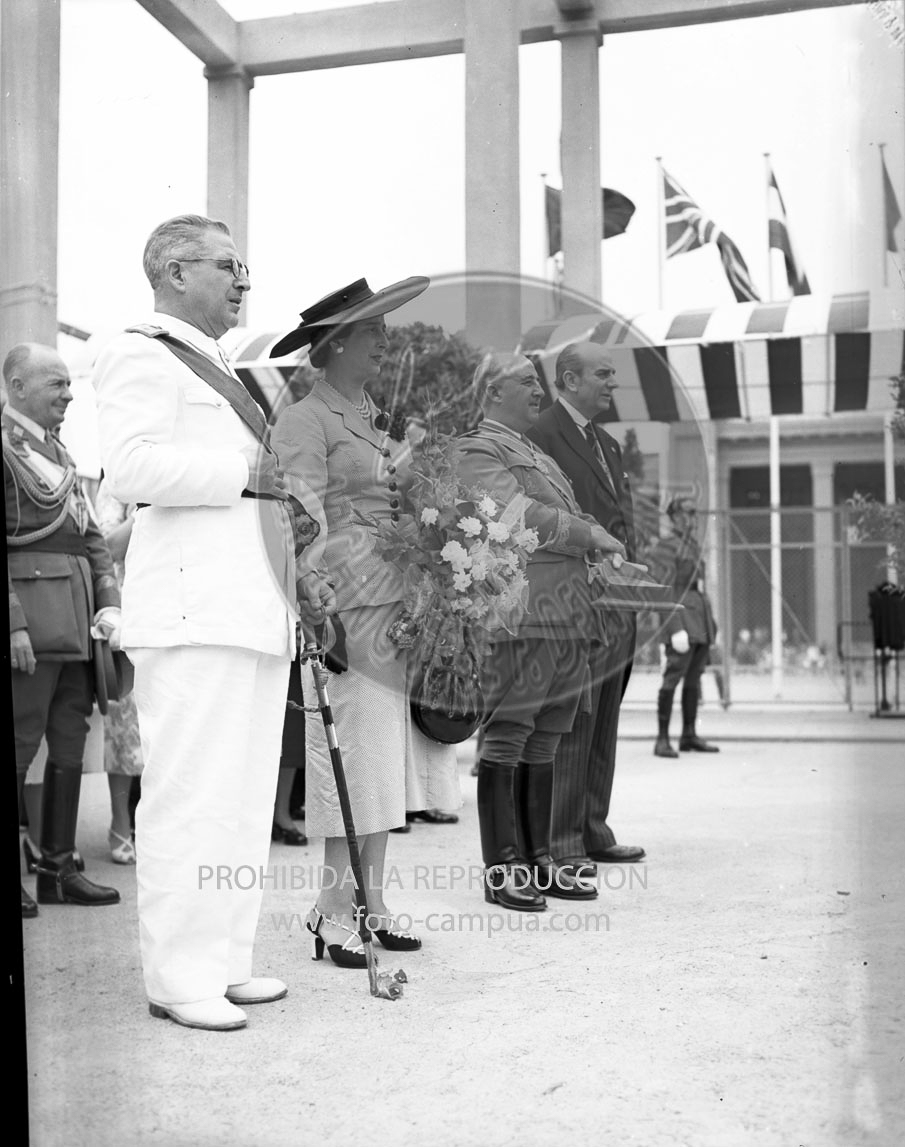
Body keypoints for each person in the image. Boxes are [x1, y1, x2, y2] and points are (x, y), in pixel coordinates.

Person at [94, 214, 335, 1031]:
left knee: (237, 802)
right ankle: (177, 977)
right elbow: (128, 466)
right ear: (172, 271)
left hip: (248, 606)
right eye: (229, 266)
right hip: (195, 609)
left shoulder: (219, 362)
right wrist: (249, 470)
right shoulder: (138, 348)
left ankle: (225, 961)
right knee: (190, 798)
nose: (242, 282)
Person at [271, 276, 460, 965]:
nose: (386, 342)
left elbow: (394, 511)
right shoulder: (304, 418)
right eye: (374, 332)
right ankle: (328, 909)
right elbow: (300, 516)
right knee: (344, 759)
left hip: (391, 606)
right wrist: (320, 608)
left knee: (380, 764)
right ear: (339, 342)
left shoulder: (369, 416)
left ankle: (370, 902)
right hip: (343, 608)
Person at [457, 352, 627, 911]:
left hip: (567, 612)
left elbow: (564, 518)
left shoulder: (533, 452)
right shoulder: (478, 448)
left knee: (549, 732)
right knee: (510, 732)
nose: (539, 390)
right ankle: (503, 864)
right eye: (527, 382)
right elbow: (513, 513)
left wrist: (597, 552)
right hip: (523, 611)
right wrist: (590, 535)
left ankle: (539, 859)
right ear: (491, 392)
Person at [5, 343, 122, 917]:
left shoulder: (58, 451)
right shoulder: (5, 449)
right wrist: (13, 625)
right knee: (20, 745)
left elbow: (92, 537)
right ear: (18, 387)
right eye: (56, 383)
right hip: (32, 624)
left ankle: (58, 866)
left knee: (70, 744)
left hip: (76, 623)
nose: (69, 393)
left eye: (69, 383)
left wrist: (109, 603)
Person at [527, 342, 646, 871]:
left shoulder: (608, 444)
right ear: (569, 380)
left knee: (606, 719)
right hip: (572, 597)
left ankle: (593, 827)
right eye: (603, 373)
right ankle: (561, 841)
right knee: (574, 720)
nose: (612, 382)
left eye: (613, 373)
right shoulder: (540, 437)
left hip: (619, 601)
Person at [646, 495, 719, 757]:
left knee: (693, 679)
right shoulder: (666, 547)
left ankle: (688, 735)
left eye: (694, 513)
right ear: (674, 516)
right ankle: (662, 739)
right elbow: (663, 590)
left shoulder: (692, 544)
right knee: (672, 678)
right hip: (681, 620)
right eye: (687, 513)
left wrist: (710, 625)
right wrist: (674, 628)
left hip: (699, 621)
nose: (692, 518)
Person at [93, 478, 142, 863]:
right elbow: (107, 546)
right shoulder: (118, 483)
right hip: (128, 614)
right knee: (125, 729)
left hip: (172, 613)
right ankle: (120, 824)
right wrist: (145, 511)